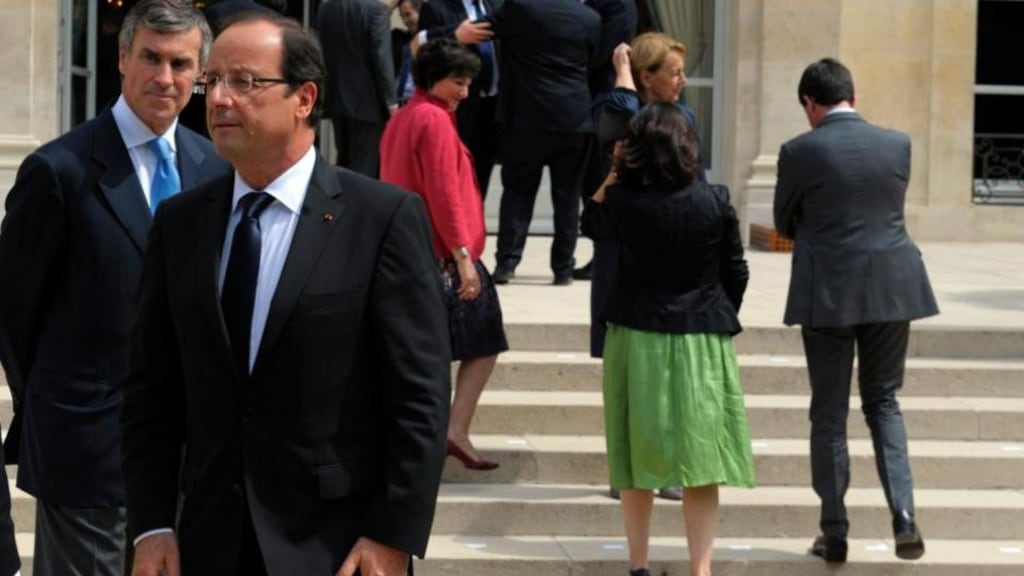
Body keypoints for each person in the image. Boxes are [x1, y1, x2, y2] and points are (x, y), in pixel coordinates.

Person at [121, 13, 451, 576]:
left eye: (245, 82)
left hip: (337, 547)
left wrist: (391, 534)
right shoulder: (181, 223)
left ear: (304, 98)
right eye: (213, 79)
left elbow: (419, 398)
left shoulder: (381, 218)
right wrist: (151, 524)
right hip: (207, 541)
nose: (218, 98)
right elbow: (153, 391)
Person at [0, 1, 226, 574]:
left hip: (189, 459)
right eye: (150, 58)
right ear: (122, 58)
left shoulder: (216, 169)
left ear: (200, 73)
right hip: (86, 449)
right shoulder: (59, 171)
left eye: (181, 64)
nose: (164, 77)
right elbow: (13, 315)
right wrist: (62, 403)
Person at [773, 57, 937, 564]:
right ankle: (904, 516)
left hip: (829, 290)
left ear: (810, 104)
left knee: (828, 412)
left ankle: (834, 528)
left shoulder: (799, 150)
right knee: (884, 402)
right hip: (893, 288)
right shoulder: (898, 144)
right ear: (854, 97)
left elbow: (783, 222)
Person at [582, 103, 754, 576]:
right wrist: (717, 311)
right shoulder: (715, 199)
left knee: (636, 455)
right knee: (702, 460)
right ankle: (700, 570)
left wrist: (616, 170)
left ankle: (638, 565)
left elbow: (590, 223)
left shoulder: (623, 203)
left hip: (637, 334)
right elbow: (736, 271)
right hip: (701, 336)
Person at [381, 38, 509, 471]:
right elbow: (443, 193)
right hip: (441, 255)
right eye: (458, 81)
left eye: (469, 82)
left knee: (435, 351)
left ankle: (438, 435)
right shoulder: (433, 120)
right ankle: (451, 431)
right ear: (432, 78)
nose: (465, 91)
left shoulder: (404, 117)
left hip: (413, 253)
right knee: (478, 342)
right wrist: (461, 256)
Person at [588, 32, 706, 502]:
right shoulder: (614, 108)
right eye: (673, 72)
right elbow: (617, 123)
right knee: (624, 371)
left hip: (670, 252)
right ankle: (628, 468)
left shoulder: (685, 117)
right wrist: (620, 77)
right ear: (646, 77)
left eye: (681, 70)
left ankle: (668, 465)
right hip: (622, 254)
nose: (682, 80)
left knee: (671, 369)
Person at [484, 0, 601, 286]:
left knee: (517, 192)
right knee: (567, 196)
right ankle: (563, 268)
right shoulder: (589, 18)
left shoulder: (520, 8)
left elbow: (487, 28)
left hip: (527, 116)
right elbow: (594, 60)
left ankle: (506, 264)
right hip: (573, 116)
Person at [416, 0, 501, 198]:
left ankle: (475, 222)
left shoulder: (496, 5)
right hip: (456, 107)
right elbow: (424, 51)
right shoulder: (436, 7)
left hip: (493, 104)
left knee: (483, 171)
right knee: (452, 172)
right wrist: (455, 35)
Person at [317, 0, 397, 177]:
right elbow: (382, 60)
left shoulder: (326, 7)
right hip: (369, 105)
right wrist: (392, 103)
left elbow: (322, 51)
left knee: (343, 162)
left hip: (336, 100)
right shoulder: (378, 11)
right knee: (364, 171)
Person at [391, 0, 422, 105]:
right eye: (402, 16)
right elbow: (376, 25)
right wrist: (391, 5)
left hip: (421, 104)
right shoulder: (399, 38)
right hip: (398, 105)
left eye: (408, 14)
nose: (405, 21)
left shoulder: (435, 40)